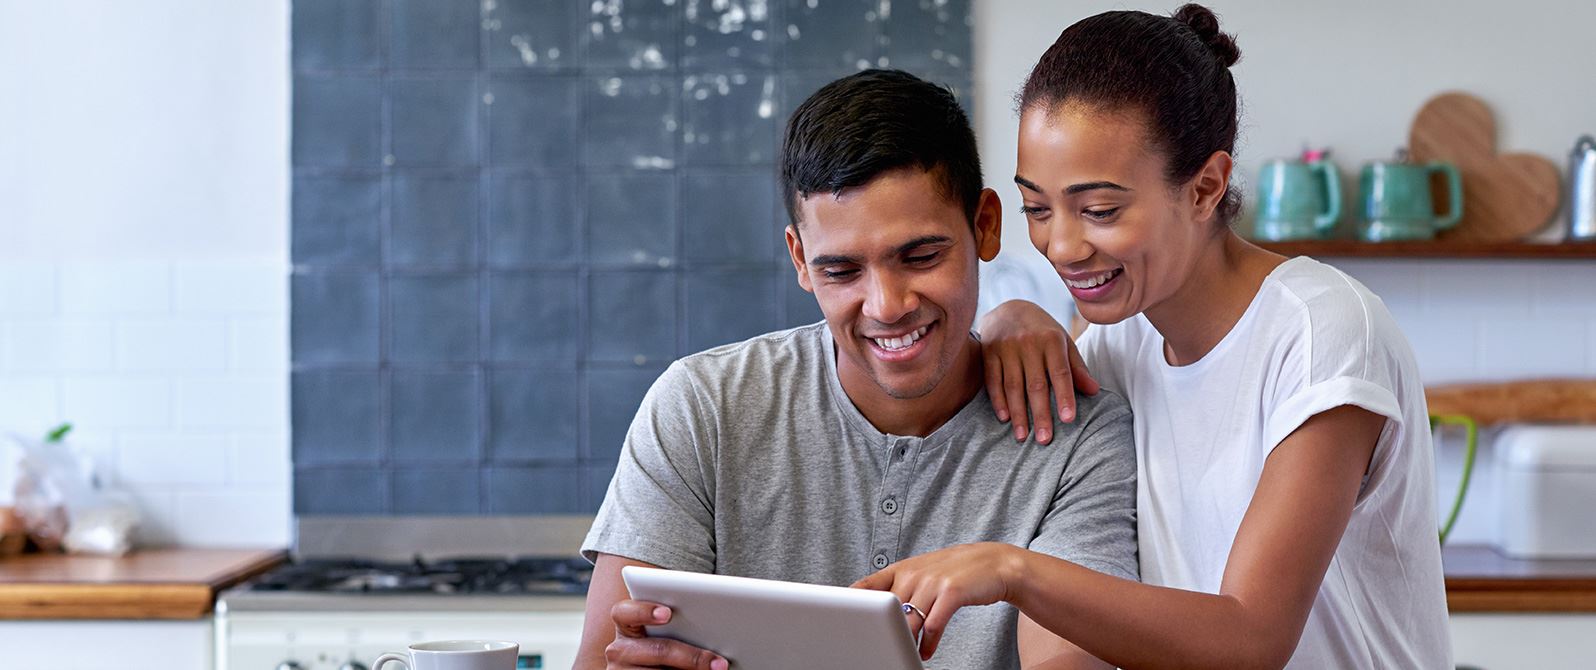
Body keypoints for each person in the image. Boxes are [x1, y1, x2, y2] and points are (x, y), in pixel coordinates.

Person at [854, 5, 1453, 669]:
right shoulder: (1117, 346)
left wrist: (1009, 570)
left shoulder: (1322, 334)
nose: (1063, 245)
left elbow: (1250, 639)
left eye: (1101, 210)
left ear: (1205, 188)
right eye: (1038, 208)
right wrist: (1012, 317)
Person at [574, 69, 1139, 670]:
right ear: (799, 258)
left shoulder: (1079, 434)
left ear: (984, 226)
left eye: (920, 256)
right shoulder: (701, 408)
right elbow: (603, 658)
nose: (887, 305)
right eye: (841, 271)